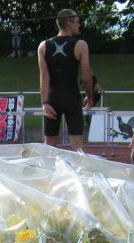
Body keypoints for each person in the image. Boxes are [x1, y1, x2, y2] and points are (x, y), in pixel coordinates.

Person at [38, 8, 93, 150]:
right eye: (77, 22)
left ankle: (47, 165)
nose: (79, 25)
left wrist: (45, 103)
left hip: (52, 99)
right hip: (71, 98)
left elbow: (44, 76)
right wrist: (90, 96)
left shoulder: (43, 46)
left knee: (49, 146)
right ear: (69, 23)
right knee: (77, 147)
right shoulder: (81, 45)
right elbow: (86, 78)